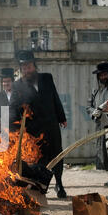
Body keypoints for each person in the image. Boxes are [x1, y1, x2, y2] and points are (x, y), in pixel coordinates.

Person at [9, 50, 68, 198]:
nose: (27, 70)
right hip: (33, 129)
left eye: (29, 67)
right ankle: (41, 188)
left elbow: (55, 97)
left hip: (51, 124)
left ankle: (59, 183)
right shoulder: (17, 86)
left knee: (57, 154)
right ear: (20, 69)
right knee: (39, 159)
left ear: (34, 66)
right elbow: (13, 107)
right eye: (23, 68)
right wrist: (12, 127)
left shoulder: (47, 78)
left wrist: (61, 116)